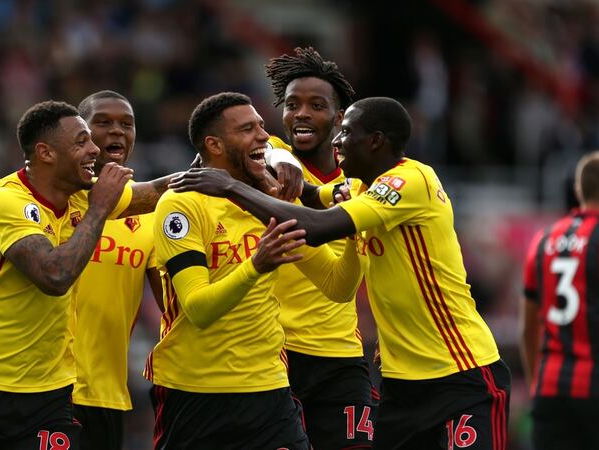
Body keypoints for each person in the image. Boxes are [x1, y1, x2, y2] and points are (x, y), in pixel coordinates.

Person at [0, 90, 305, 450]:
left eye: (127, 123)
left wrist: (272, 155)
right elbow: (46, 274)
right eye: (91, 132)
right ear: (47, 151)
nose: (105, 140)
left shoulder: (112, 200)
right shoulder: (18, 200)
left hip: (78, 392)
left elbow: (186, 179)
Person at [169, 96, 510, 450]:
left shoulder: (410, 181)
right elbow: (313, 194)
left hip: (460, 372)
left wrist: (231, 187)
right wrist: (272, 163)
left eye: (345, 133)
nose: (335, 141)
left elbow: (315, 226)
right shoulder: (363, 188)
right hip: (399, 382)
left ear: (375, 141)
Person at [146, 92, 363, 449]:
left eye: (262, 125)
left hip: (269, 390)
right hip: (194, 392)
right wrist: (257, 265)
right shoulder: (181, 204)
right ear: (214, 144)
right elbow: (199, 309)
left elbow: (336, 286)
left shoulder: (271, 203)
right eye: (247, 129)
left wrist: (355, 232)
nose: (263, 136)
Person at [0, 100, 135, 449]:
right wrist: (100, 209)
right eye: (81, 141)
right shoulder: (6, 200)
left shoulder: (81, 195)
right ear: (46, 153)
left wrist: (226, 178)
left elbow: (159, 193)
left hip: (49, 395)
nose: (94, 149)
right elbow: (54, 277)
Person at [264, 46, 377, 449]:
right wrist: (279, 155)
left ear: (340, 117)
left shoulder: (362, 179)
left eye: (316, 105)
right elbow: (265, 147)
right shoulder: (267, 164)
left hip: (342, 356)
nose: (302, 114)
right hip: (276, 354)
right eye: (292, 104)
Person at [520, 151, 599, 450]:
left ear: (579, 191)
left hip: (549, 389)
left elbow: (527, 329)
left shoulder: (543, 240)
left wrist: (536, 384)